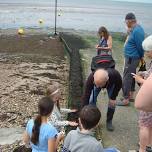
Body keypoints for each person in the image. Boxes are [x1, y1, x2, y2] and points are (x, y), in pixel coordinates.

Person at [117, 12, 145, 106]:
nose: (125, 23)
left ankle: (125, 99)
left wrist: (141, 57)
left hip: (132, 58)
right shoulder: (135, 29)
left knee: (126, 78)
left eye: (126, 22)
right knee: (132, 76)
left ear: (129, 21)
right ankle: (130, 96)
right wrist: (129, 31)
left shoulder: (137, 30)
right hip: (131, 57)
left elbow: (140, 46)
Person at [132, 35, 152, 152]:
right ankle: (148, 145)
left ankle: (142, 148)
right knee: (150, 123)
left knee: (144, 124)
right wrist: (144, 73)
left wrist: (141, 81)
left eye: (148, 51)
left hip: (148, 99)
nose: (146, 53)